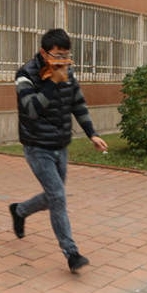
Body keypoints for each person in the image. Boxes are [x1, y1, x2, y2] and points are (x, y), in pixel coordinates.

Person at [9, 28, 109, 273]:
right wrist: (53, 81)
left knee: (54, 196)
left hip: (60, 145)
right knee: (58, 196)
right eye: (58, 55)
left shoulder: (68, 72)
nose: (63, 61)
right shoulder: (25, 75)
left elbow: (78, 104)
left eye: (66, 55)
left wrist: (92, 133)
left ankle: (19, 211)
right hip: (37, 147)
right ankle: (71, 253)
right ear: (44, 53)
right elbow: (32, 110)